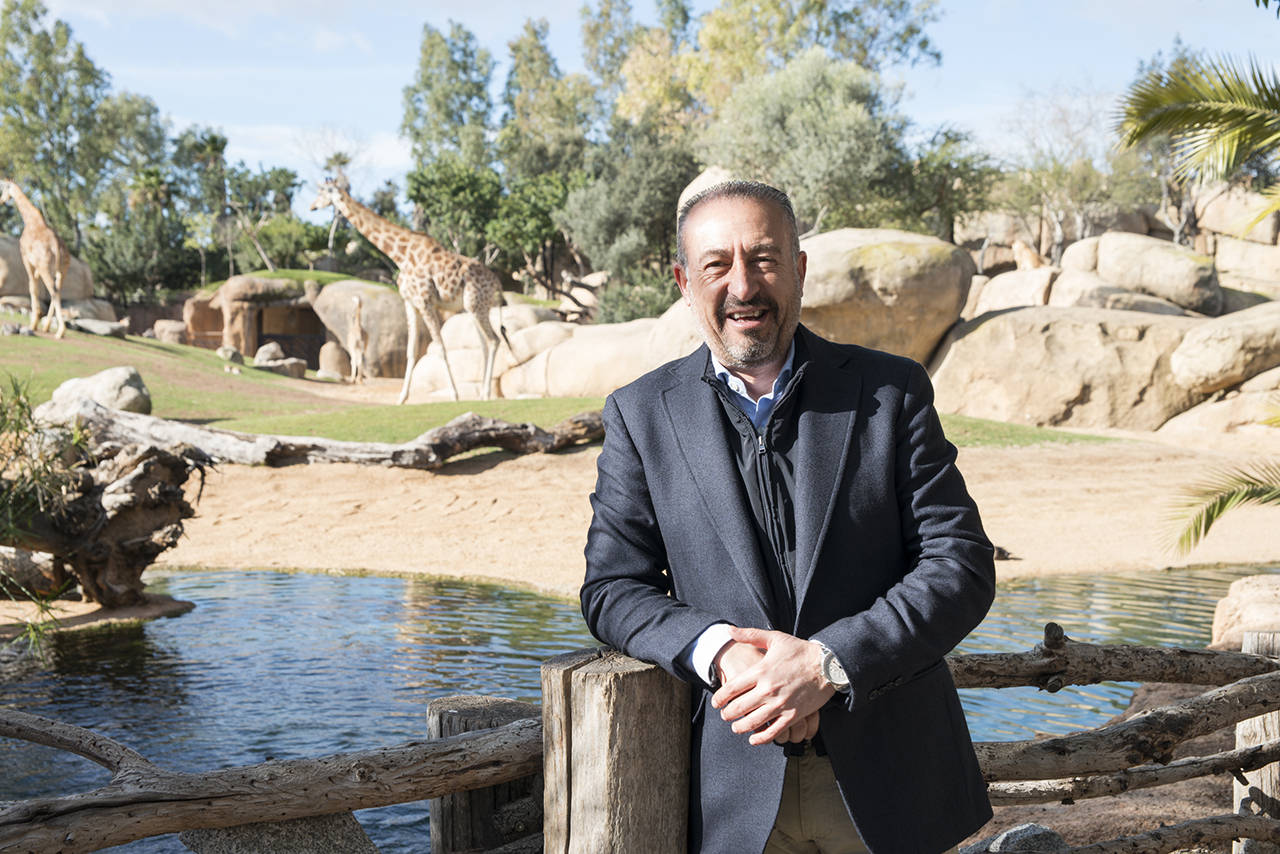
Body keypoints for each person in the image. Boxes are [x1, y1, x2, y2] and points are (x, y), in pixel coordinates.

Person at [581, 180, 996, 854]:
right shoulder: (640, 414)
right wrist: (722, 653)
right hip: (729, 796)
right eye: (717, 265)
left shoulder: (891, 392)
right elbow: (612, 588)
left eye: (764, 259)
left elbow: (961, 565)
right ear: (685, 283)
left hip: (890, 788)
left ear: (799, 269)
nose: (743, 285)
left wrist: (827, 664)